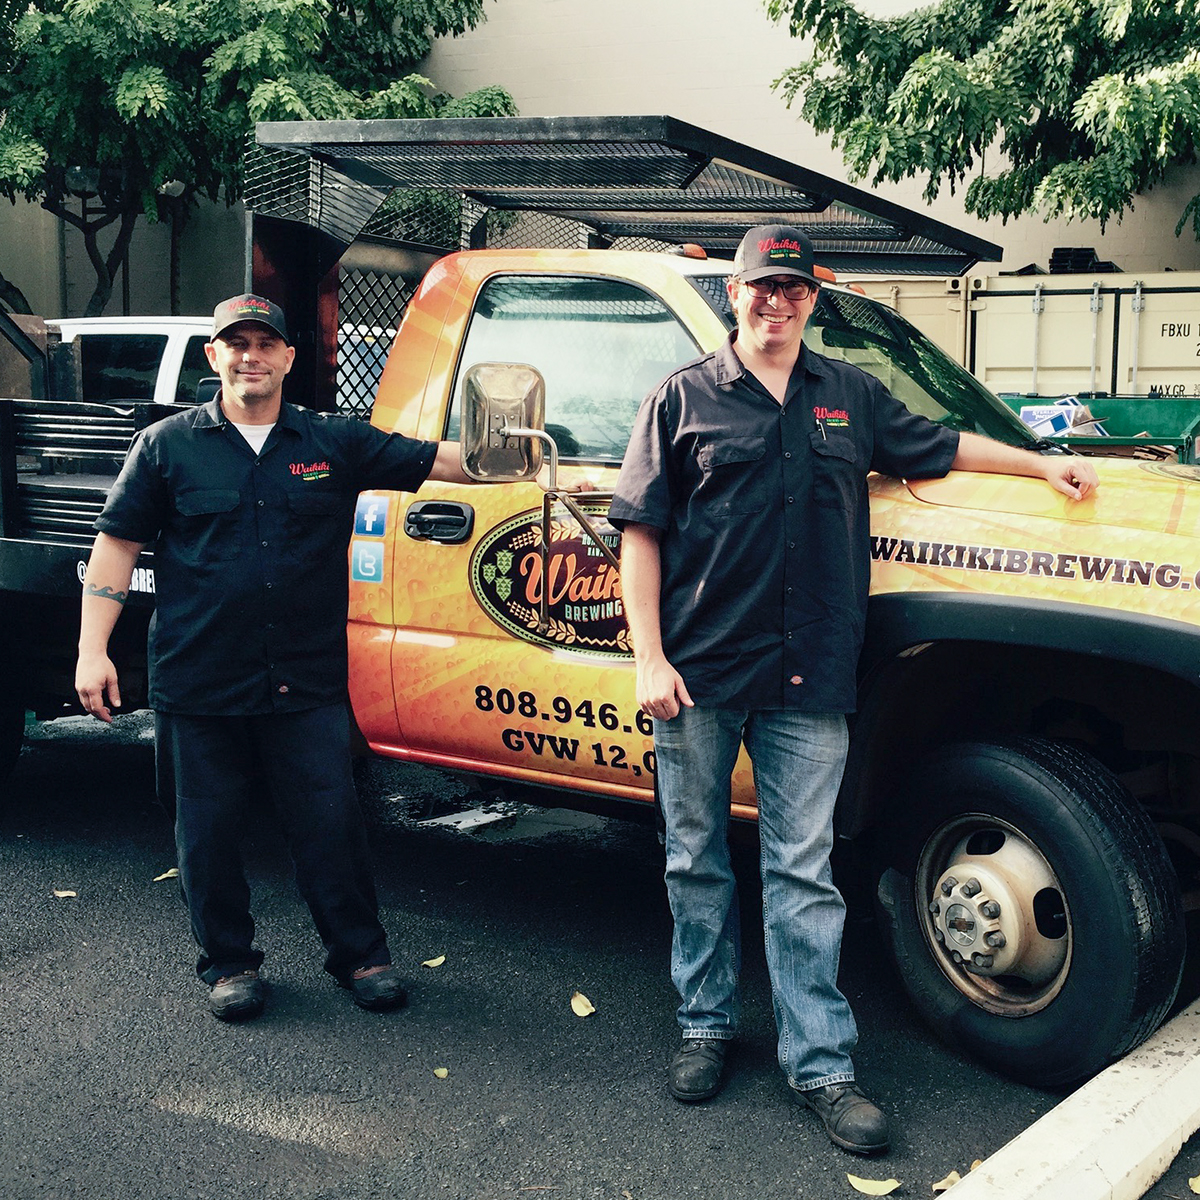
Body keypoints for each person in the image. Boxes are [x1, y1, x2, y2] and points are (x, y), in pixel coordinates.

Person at [607, 226, 1098, 1154]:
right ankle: (705, 1026)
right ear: (735, 295)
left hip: (811, 675)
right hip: (702, 672)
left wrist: (1038, 461)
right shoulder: (681, 400)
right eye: (762, 287)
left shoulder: (850, 397)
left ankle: (822, 1064)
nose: (776, 302)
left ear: (809, 301)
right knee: (695, 858)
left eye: (793, 289)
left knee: (802, 871)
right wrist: (649, 658)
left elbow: (943, 446)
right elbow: (642, 532)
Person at [74, 293, 474, 1022]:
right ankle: (229, 965)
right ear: (214, 356)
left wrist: (517, 453)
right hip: (199, 681)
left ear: (289, 358)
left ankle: (362, 957)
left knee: (331, 825)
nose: (250, 355)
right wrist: (92, 650)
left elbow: (443, 460)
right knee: (207, 834)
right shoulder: (168, 445)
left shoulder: (333, 442)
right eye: (236, 343)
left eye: (265, 343)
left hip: (305, 682)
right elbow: (117, 543)